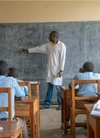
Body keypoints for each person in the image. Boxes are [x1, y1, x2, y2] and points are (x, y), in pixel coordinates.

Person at [21, 31, 66, 110]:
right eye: (50, 37)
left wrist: (61, 70)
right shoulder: (49, 45)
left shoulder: (61, 45)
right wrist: (28, 50)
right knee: (49, 88)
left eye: (52, 36)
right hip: (50, 70)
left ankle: (61, 104)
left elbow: (62, 59)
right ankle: (47, 104)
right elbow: (39, 49)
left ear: (56, 37)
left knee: (58, 88)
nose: (51, 38)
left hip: (57, 70)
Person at [0, 60, 28, 138]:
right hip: (7, 121)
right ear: (7, 72)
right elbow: (21, 95)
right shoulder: (11, 80)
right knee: (22, 121)